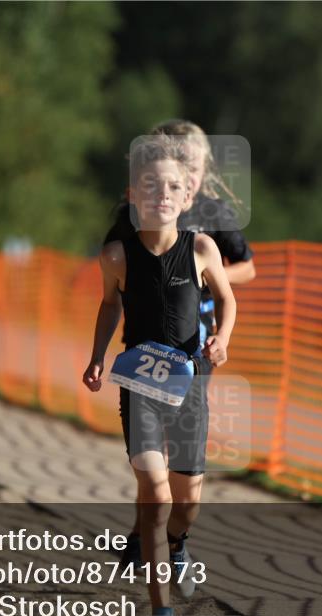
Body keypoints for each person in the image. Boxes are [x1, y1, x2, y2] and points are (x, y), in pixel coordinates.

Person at [82, 135, 236, 616]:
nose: (162, 194)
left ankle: (178, 544)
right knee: (155, 491)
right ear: (134, 195)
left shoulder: (200, 249)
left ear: (186, 196)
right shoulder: (115, 256)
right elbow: (109, 307)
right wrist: (99, 355)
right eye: (151, 186)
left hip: (189, 387)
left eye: (172, 186)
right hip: (140, 388)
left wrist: (221, 339)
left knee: (186, 502)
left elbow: (227, 299)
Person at [105, 120, 256, 570]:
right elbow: (115, 265)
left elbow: (247, 268)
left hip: (196, 343)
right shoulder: (139, 205)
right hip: (146, 344)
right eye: (179, 159)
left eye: (192, 162)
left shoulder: (211, 212)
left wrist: (205, 283)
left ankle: (174, 538)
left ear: (203, 167)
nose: (184, 171)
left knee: (178, 448)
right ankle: (143, 534)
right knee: (151, 453)